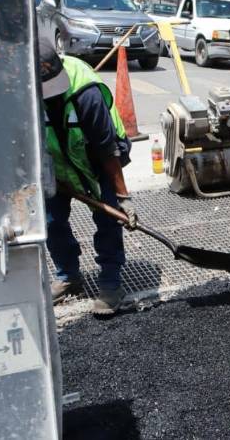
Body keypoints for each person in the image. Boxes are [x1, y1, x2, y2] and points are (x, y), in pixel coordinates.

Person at [38, 36, 136, 315]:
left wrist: (122, 197)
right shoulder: (23, 92)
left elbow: (108, 150)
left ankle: (110, 282)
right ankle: (68, 275)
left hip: (100, 161)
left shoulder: (86, 93)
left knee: (108, 219)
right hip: (56, 164)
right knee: (51, 221)